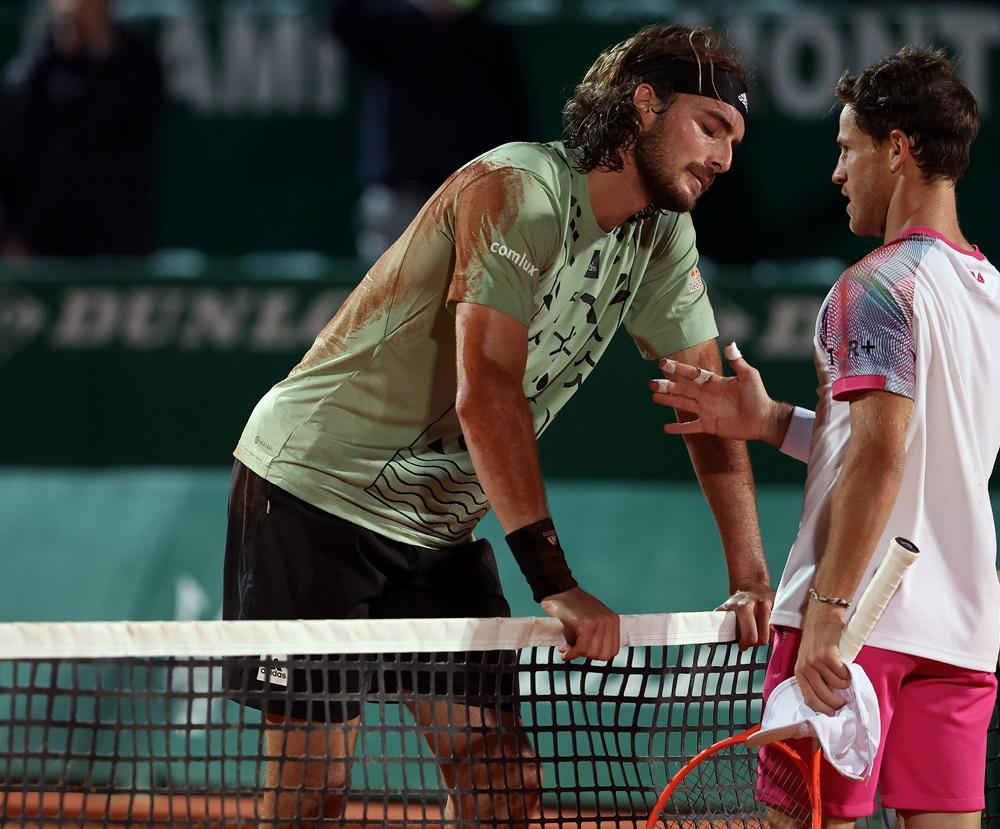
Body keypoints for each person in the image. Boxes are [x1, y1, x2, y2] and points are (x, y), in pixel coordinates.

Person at [223, 23, 774, 825]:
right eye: (710, 126)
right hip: (315, 495)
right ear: (643, 105)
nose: (725, 157)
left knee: (501, 780)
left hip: (437, 528)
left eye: (735, 138)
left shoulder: (662, 236)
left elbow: (709, 401)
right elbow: (488, 389)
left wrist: (750, 572)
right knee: (313, 790)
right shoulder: (519, 187)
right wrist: (556, 583)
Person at [649, 47, 1000, 827]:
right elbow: (919, 449)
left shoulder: (876, 287)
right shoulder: (998, 299)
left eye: (847, 148)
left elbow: (884, 456)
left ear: (898, 149)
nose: (837, 172)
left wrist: (829, 608)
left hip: (854, 624)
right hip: (959, 636)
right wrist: (772, 423)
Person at [329, 0, 531, 262]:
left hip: (472, 202)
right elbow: (341, 18)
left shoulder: (489, 35)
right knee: (390, 299)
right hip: (400, 199)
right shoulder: (390, 25)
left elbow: (516, 121)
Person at [0, 0, 163, 259]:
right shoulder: (32, 72)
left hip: (119, 244)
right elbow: (12, 158)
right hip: (44, 245)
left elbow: (138, 120)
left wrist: (99, 47)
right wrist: (10, 232)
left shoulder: (137, 62)